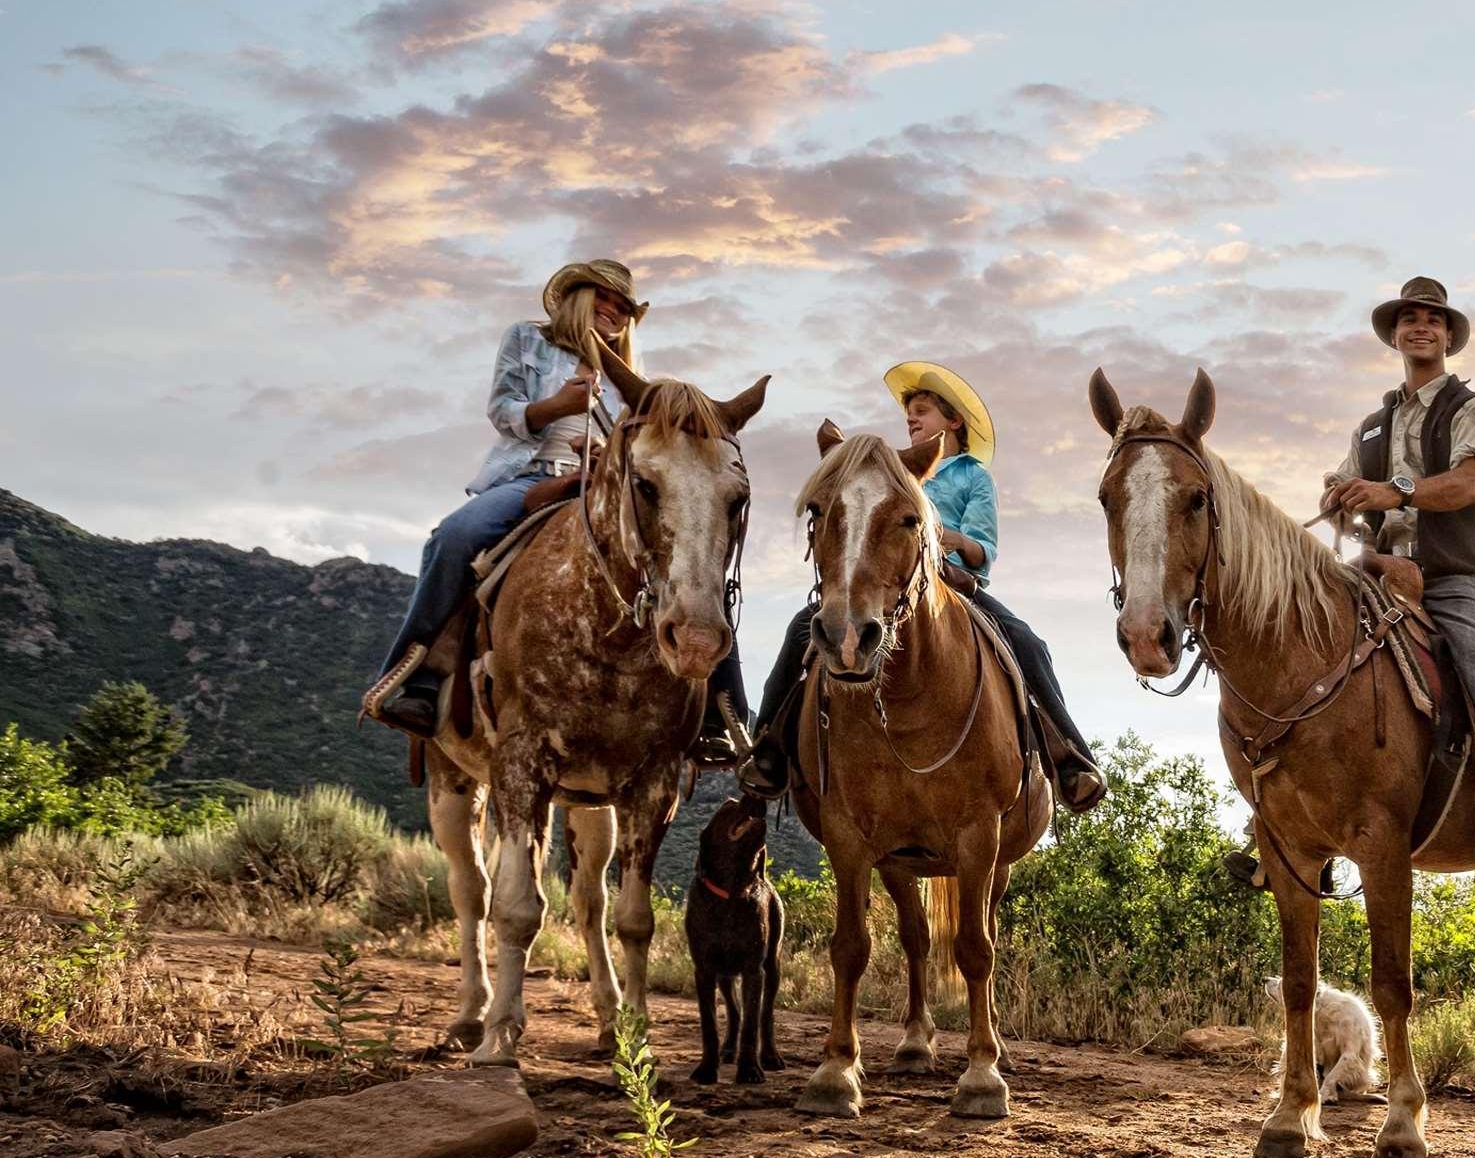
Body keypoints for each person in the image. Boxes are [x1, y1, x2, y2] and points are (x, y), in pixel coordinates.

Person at [361, 259, 746, 763]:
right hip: (530, 475)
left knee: (692, 553)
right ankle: (419, 675)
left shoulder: (635, 382)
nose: (612, 311)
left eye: (622, 307)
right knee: (455, 536)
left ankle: (723, 711)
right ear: (573, 301)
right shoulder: (527, 339)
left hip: (604, 488)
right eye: (601, 299)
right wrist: (558, 407)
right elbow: (504, 412)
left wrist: (607, 457)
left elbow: (642, 455)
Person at [742, 363, 1105, 813]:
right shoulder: (891, 472)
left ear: (953, 422)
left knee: (1028, 643)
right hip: (888, 588)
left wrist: (952, 541)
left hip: (954, 584)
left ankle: (1067, 754)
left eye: (923, 411)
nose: (911, 419)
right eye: (908, 413)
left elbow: (984, 548)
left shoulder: (973, 476)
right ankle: (769, 747)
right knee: (801, 629)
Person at [1317, 276, 1475, 898]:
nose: (1421, 327)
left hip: (1453, 574)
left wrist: (1395, 492)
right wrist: (1339, 501)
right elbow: (1340, 488)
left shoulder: (1472, 410)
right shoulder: (1369, 428)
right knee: (1304, 638)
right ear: (1395, 335)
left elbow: (1469, 484)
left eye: (1433, 320)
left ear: (1448, 336)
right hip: (1378, 571)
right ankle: (1286, 822)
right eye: (1409, 318)